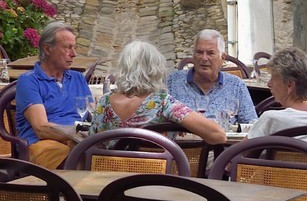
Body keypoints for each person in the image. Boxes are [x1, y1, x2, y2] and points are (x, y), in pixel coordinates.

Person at [87, 40, 227, 144]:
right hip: (155, 174)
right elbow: (219, 135)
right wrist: (181, 124)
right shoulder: (163, 103)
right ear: (155, 70)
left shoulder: (104, 102)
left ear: (122, 68)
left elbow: (91, 143)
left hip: (110, 173)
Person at [15, 21, 92, 168]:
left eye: (74, 47)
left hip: (79, 141)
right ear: (47, 49)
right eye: (67, 48)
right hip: (44, 144)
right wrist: (80, 130)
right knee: (80, 158)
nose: (74, 54)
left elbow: (91, 115)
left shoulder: (78, 78)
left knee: (112, 155)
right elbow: (42, 128)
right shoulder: (29, 81)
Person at [165, 29, 258, 128]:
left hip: (225, 137)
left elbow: (251, 124)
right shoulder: (172, 82)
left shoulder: (236, 85)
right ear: (193, 55)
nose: (204, 58)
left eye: (210, 53)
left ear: (222, 57)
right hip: (181, 137)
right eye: (199, 52)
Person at [247, 47, 307, 139]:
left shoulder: (271, 119)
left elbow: (243, 148)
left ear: (289, 85)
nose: (269, 84)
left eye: (273, 78)